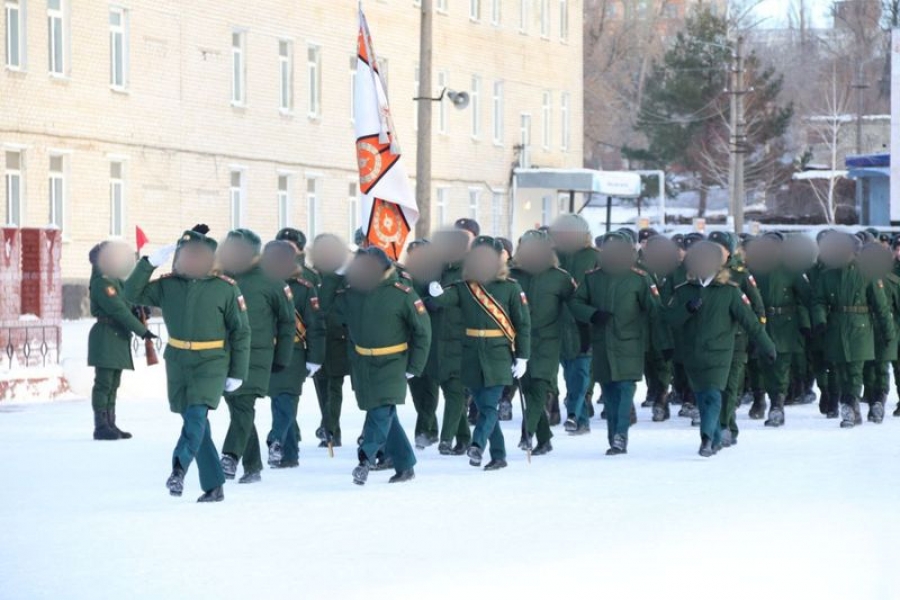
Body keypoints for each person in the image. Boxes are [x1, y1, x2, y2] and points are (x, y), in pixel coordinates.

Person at [125, 225, 251, 502]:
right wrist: (148, 263)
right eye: (186, 256)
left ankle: (178, 471)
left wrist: (238, 372)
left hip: (212, 363)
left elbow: (241, 331)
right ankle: (215, 485)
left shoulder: (225, 289)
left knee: (196, 417)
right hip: (179, 362)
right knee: (198, 426)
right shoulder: (168, 286)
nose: (192, 262)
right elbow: (130, 294)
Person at [665, 241, 776, 456]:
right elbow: (668, 319)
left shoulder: (729, 292)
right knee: (702, 396)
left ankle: (706, 437)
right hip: (693, 354)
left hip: (720, 353)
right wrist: (686, 310)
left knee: (713, 394)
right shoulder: (683, 291)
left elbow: (750, 322)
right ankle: (714, 437)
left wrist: (767, 346)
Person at [430, 236, 531, 471]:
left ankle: (477, 444)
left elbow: (523, 324)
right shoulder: (466, 287)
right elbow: (447, 299)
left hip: (498, 353)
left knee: (488, 406)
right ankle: (499, 456)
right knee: (485, 405)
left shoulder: (510, 287)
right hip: (471, 354)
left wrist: (523, 356)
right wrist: (435, 292)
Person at [337, 247, 432, 485]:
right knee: (386, 415)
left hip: (392, 362)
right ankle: (406, 465)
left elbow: (423, 332)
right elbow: (332, 314)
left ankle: (365, 459)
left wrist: (415, 365)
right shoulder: (352, 292)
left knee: (380, 412)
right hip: (363, 363)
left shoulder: (402, 293)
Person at [570, 232, 669, 456]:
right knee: (610, 391)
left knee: (625, 391)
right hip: (602, 344)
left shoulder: (639, 278)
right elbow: (575, 302)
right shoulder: (592, 278)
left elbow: (656, 312)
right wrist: (592, 314)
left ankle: (620, 435)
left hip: (630, 345)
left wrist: (663, 344)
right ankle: (613, 434)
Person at [218, 229, 295, 484]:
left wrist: (283, 357)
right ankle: (253, 466)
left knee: (243, 405)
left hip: (257, 355)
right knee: (238, 408)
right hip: (226, 355)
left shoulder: (271, 281)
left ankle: (230, 456)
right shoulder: (222, 278)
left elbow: (287, 322)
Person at [811, 233, 895, 428]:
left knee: (855, 370)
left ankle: (851, 405)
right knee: (840, 370)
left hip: (860, 327)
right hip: (836, 327)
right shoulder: (828, 275)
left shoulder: (867, 273)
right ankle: (850, 405)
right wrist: (820, 320)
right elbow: (818, 301)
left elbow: (881, 306)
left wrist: (888, 332)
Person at [510, 230, 577, 455]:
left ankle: (526, 433)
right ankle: (545, 438)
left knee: (539, 387)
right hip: (519, 342)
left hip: (548, 341)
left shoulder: (560, 277)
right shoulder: (511, 275)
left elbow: (577, 305)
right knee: (528, 388)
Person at [262, 240, 326, 468]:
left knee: (286, 398)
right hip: (265, 352)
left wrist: (315, 358)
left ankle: (276, 439)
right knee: (279, 400)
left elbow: (315, 325)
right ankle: (289, 454)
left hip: (293, 352)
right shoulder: (259, 284)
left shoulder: (303, 287)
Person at [87, 241, 155, 440]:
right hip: (106, 335)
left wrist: (141, 308)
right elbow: (118, 310)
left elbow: (130, 298)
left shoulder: (115, 280)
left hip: (117, 335)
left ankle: (111, 424)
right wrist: (143, 331)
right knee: (104, 383)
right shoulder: (102, 283)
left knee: (114, 382)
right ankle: (101, 427)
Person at [551, 213, 601, 431]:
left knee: (580, 374)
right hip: (555, 324)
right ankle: (573, 412)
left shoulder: (594, 257)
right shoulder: (551, 256)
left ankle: (577, 416)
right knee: (566, 372)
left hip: (584, 324)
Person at [431, 228, 474, 455]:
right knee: (448, 388)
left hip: (462, 341)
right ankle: (465, 437)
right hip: (440, 340)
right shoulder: (440, 270)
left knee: (456, 391)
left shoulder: (471, 271)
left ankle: (446, 438)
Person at [309, 234, 351, 448]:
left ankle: (331, 429)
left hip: (338, 339)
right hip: (317, 338)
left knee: (335, 385)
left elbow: (340, 306)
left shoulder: (345, 275)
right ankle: (329, 426)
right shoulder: (312, 275)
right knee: (321, 385)